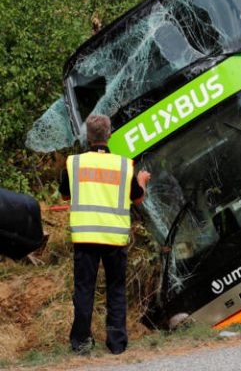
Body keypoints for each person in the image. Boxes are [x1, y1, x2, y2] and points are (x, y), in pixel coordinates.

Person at [59, 114, 150, 354]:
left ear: (88, 137)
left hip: (85, 238)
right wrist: (141, 180)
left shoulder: (73, 163)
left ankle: (81, 343)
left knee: (84, 290)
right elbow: (137, 197)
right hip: (114, 239)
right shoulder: (124, 165)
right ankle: (117, 344)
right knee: (116, 290)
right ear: (109, 134)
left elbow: (65, 196)